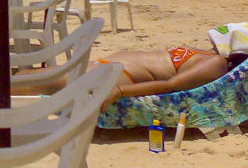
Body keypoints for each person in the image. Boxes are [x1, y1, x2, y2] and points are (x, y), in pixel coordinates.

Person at [95, 45, 248, 109]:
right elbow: (170, 85)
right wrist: (121, 91)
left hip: (115, 63)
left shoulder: (206, 54)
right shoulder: (217, 64)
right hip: (123, 73)